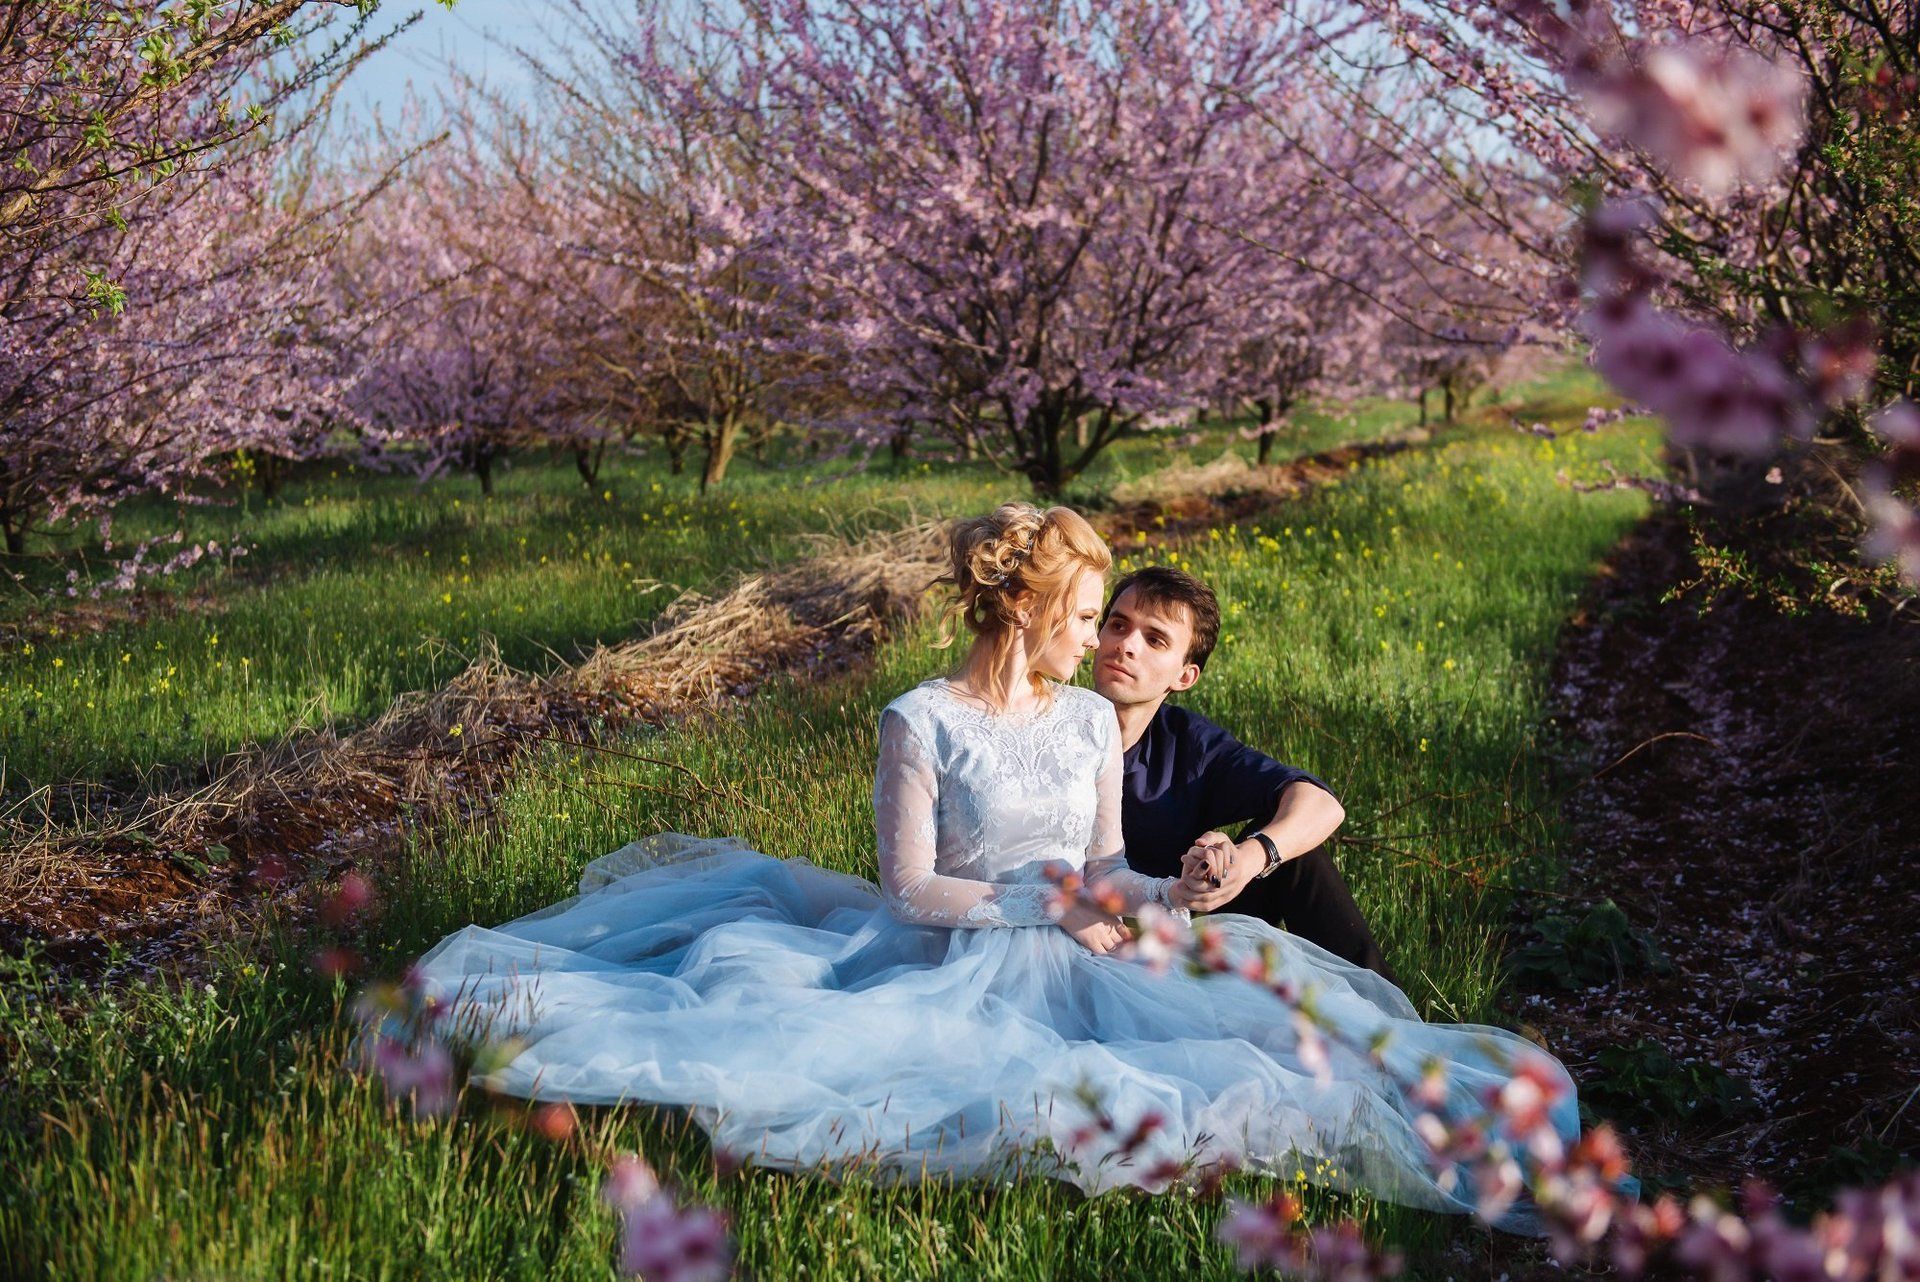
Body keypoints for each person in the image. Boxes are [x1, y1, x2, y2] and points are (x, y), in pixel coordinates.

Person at [404, 502, 1586, 1227]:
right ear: (1023, 608)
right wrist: (1052, 905)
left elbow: (1109, 863)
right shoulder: (919, 720)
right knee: (934, 1075)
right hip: (945, 948)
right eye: (1084, 616)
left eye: (1120, 628)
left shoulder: (1081, 724)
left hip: (1087, 940)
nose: (1099, 641)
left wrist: (1150, 897)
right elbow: (914, 886)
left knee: (1268, 1049)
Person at [1092, 566, 1397, 983]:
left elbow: (1322, 805)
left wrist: (1247, 859)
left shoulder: (1189, 744)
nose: (1127, 645)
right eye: (1118, 624)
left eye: (1155, 639)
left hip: (1176, 930)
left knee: (1294, 855)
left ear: (1185, 676)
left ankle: (1378, 1010)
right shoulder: (1047, 720)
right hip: (1077, 929)